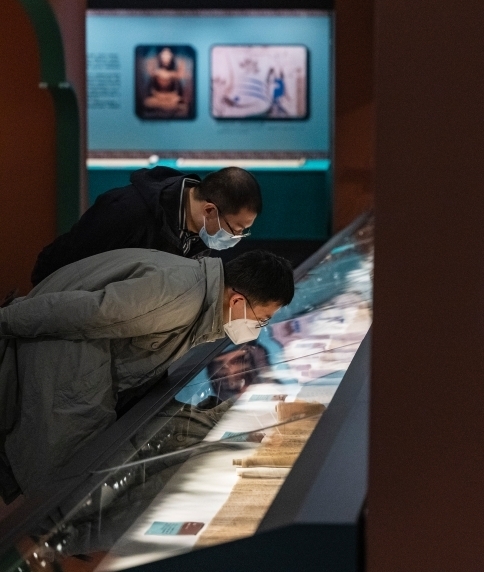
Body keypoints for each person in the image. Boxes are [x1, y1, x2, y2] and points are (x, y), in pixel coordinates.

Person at [0, 248, 294, 501]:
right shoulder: (179, 299)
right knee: (62, 481)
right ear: (237, 300)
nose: (259, 328)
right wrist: (6, 320)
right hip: (69, 362)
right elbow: (87, 312)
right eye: (261, 319)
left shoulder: (199, 289)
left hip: (81, 362)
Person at [31, 166, 262, 286]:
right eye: (236, 230)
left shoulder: (199, 234)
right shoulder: (126, 212)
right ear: (210, 210)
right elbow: (56, 267)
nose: (237, 237)